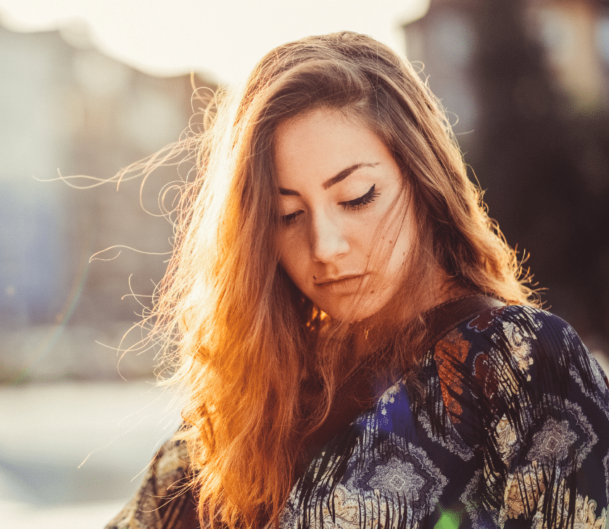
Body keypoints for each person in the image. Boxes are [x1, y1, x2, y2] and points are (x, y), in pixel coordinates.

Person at [105, 32, 609, 528]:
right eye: (288, 214)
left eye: (357, 197)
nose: (324, 247)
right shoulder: (256, 396)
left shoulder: (520, 362)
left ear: (422, 179)